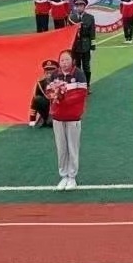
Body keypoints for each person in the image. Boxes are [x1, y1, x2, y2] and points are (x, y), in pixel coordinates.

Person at [48, 50, 88, 190]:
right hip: (58, 117)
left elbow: (82, 93)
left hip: (73, 116)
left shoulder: (78, 74)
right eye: (62, 60)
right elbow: (49, 91)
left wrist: (63, 99)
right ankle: (63, 176)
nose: (64, 63)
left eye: (67, 60)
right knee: (61, 147)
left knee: (72, 146)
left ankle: (72, 177)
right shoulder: (54, 74)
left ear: (72, 61)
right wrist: (54, 96)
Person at [67, 0, 96, 86]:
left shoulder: (90, 17)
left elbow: (92, 33)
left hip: (86, 45)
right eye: (77, 5)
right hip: (75, 46)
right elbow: (68, 32)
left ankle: (87, 85)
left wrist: (92, 46)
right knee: (76, 67)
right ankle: (78, 85)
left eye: (81, 5)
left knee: (86, 67)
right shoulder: (72, 18)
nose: (79, 7)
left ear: (84, 6)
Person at [29, 59, 58, 128]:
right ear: (44, 71)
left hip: (58, 110)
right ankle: (45, 118)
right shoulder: (40, 83)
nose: (49, 72)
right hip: (46, 109)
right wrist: (32, 121)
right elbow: (34, 102)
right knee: (37, 99)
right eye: (47, 70)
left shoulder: (61, 81)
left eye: (52, 69)